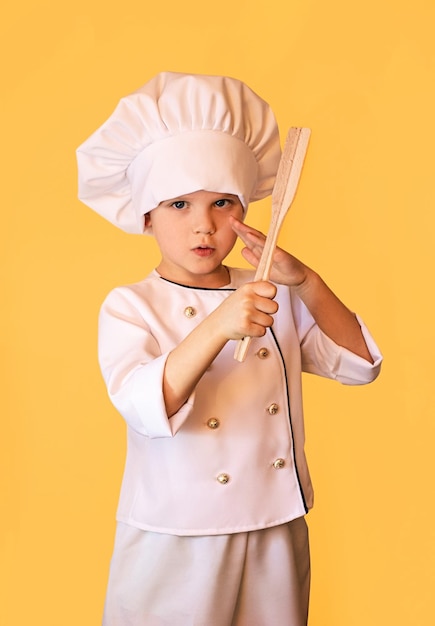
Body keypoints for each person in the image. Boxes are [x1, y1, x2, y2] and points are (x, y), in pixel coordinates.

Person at [77, 71, 382, 626]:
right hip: (176, 535)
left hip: (275, 524)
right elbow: (147, 407)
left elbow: (360, 365)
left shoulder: (266, 290)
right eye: (178, 205)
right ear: (145, 215)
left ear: (244, 209)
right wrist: (218, 326)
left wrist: (306, 281)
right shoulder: (130, 305)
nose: (204, 226)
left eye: (222, 203)